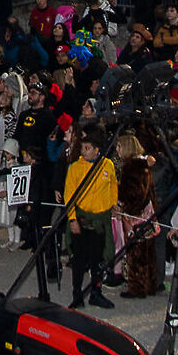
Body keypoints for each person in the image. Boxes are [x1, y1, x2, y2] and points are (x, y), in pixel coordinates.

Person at [63, 133, 118, 311]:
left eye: (87, 148)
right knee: (79, 261)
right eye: (82, 148)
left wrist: (113, 203)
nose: (83, 152)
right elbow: (69, 195)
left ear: (97, 150)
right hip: (82, 219)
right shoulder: (75, 168)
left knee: (98, 260)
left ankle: (96, 293)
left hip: (100, 221)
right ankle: (77, 293)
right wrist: (72, 219)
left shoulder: (107, 165)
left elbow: (113, 186)